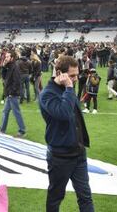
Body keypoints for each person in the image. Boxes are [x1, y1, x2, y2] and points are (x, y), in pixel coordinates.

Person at [39, 56, 94, 212]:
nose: (75, 79)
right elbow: (63, 113)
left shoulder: (67, 88)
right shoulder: (47, 94)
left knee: (85, 196)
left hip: (78, 152)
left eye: (76, 75)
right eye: (71, 75)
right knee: (55, 197)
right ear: (58, 73)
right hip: (60, 156)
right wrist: (69, 88)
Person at [0, 50, 26, 138]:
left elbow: (17, 82)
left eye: (7, 57)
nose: (5, 58)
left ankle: (22, 130)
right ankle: (2, 129)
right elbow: (3, 76)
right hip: (9, 93)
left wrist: (11, 93)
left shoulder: (15, 67)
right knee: (5, 111)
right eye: (5, 56)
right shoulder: (9, 66)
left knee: (16, 112)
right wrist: (3, 66)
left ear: (12, 58)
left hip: (12, 94)